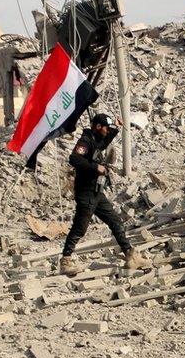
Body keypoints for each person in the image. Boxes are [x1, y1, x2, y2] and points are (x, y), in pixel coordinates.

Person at [59, 113, 150, 276]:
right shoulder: (85, 141)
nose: (107, 131)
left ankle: (130, 255)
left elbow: (102, 143)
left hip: (96, 193)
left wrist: (116, 128)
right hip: (86, 193)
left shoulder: (94, 141)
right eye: (106, 128)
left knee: (115, 220)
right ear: (98, 127)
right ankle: (65, 261)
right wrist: (96, 168)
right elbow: (74, 159)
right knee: (80, 228)